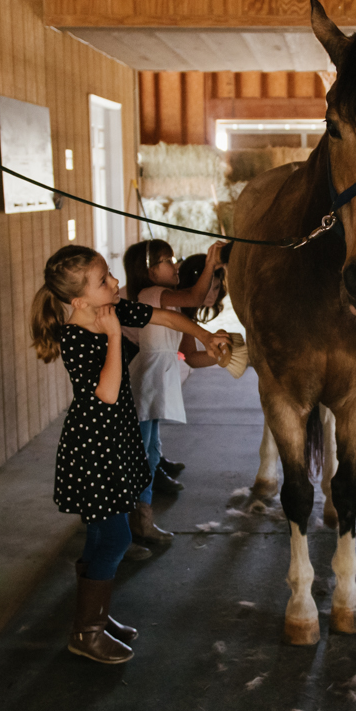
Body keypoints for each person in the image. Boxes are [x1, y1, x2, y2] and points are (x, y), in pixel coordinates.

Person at [30, 244, 229, 663]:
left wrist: (206, 335)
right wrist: (116, 337)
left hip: (114, 439)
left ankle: (95, 616)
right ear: (79, 300)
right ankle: (86, 632)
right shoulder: (77, 338)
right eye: (104, 281)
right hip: (93, 446)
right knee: (116, 537)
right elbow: (105, 391)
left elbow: (168, 316)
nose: (116, 283)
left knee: (103, 533)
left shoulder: (112, 312)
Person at [121, 240, 226, 542]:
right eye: (167, 260)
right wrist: (209, 264)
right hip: (146, 380)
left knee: (150, 453)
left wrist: (223, 357)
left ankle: (142, 517)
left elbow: (191, 356)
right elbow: (196, 294)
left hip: (158, 380)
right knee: (140, 455)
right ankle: (132, 521)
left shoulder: (170, 302)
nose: (176, 265)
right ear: (150, 272)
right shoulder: (151, 295)